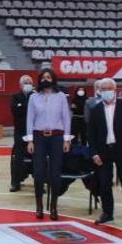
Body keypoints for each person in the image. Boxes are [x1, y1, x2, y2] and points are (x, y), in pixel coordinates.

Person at [89, 78, 122, 229]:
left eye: (109, 88)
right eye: (103, 89)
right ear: (100, 91)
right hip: (103, 152)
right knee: (105, 184)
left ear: (115, 90)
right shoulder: (95, 110)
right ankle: (107, 213)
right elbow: (91, 135)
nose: (106, 91)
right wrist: (94, 153)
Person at [24, 69, 71, 220]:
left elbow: (66, 118)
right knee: (38, 173)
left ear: (53, 79)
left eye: (48, 77)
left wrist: (67, 139)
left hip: (57, 137)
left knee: (55, 173)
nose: (46, 79)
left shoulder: (61, 96)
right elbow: (29, 119)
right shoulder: (33, 97)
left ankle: (53, 206)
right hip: (39, 137)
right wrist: (30, 140)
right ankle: (39, 205)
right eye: (43, 77)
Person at [9, 75, 34, 192]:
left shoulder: (36, 96)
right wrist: (26, 106)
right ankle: (15, 182)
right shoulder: (15, 96)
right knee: (17, 157)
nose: (28, 84)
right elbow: (15, 111)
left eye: (29, 82)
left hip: (35, 132)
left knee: (38, 157)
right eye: (25, 82)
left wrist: (23, 106)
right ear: (20, 85)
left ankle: (39, 181)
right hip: (20, 131)